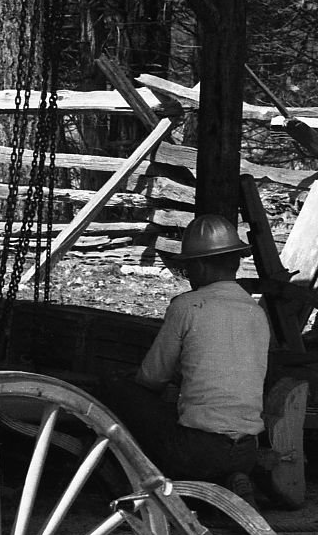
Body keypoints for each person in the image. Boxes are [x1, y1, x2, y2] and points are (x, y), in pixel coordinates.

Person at [97, 213, 291, 502]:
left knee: (116, 390)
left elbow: (151, 378)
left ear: (198, 266)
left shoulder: (187, 306)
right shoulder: (255, 312)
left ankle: (127, 484)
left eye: (188, 269)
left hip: (196, 451)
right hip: (246, 451)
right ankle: (231, 478)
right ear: (235, 261)